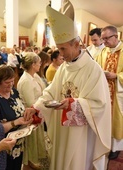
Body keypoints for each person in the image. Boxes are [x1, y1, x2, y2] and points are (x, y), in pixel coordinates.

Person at [24, 2, 111, 170]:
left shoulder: (93, 70)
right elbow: (50, 92)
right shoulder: (64, 67)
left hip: (81, 134)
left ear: (77, 44)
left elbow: (99, 104)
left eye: (63, 48)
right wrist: (36, 107)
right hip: (61, 130)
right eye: (58, 49)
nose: (61, 54)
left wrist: (74, 104)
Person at [0, 65, 33, 170]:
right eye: (7, 82)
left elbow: (21, 109)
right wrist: (16, 122)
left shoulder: (14, 92)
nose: (10, 85)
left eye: (12, 81)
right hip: (4, 145)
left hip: (19, 142)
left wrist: (27, 120)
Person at [17, 52, 49, 170]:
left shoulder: (34, 76)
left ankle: (33, 161)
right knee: (31, 141)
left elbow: (43, 90)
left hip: (38, 111)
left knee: (36, 139)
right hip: (30, 114)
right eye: (39, 62)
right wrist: (43, 104)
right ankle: (28, 163)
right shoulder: (26, 80)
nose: (40, 64)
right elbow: (30, 102)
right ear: (33, 64)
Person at [96, 25, 123, 160]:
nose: (104, 42)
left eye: (106, 38)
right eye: (103, 39)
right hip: (104, 91)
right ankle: (105, 144)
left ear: (116, 36)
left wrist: (117, 76)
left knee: (117, 120)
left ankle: (116, 147)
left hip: (118, 93)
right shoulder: (102, 52)